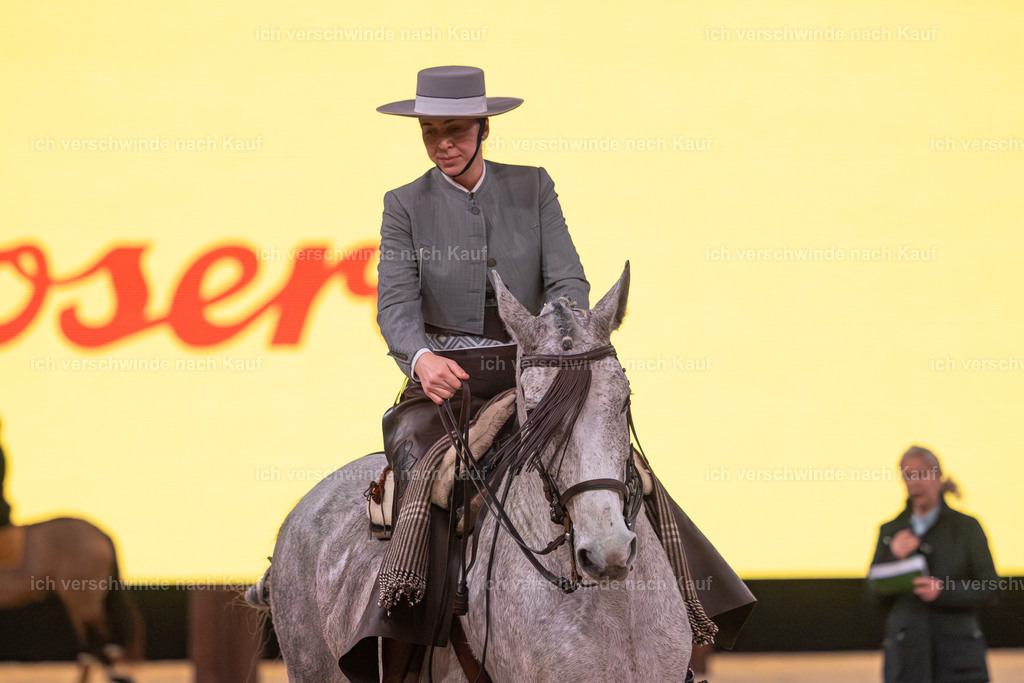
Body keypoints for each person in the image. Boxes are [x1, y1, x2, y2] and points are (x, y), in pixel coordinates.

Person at [339, 66, 754, 682]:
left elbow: (568, 278)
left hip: (536, 366)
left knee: (624, 467)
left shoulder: (533, 187)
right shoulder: (403, 204)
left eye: (454, 130)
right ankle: (404, 641)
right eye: (430, 133)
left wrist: (556, 332)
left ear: (483, 128)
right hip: (446, 383)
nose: (442, 144)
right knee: (423, 480)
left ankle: (694, 608)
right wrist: (422, 359)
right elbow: (395, 306)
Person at [869, 446, 998, 683]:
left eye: (921, 474)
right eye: (907, 476)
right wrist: (893, 556)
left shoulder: (967, 528)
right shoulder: (890, 531)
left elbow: (990, 587)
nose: (914, 483)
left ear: (938, 476)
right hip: (907, 663)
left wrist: (944, 591)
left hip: (958, 662)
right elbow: (872, 594)